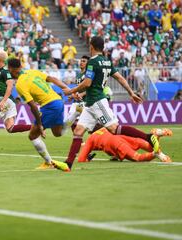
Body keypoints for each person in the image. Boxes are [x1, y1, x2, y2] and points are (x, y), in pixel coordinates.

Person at [63, 36, 160, 170]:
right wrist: (131, 92)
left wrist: (71, 90)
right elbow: (119, 77)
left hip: (97, 101)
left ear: (91, 46)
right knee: (78, 131)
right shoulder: (107, 62)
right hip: (90, 104)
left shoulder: (92, 62)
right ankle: (68, 163)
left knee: (114, 129)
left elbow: (87, 83)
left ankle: (148, 137)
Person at [7, 58, 70, 171]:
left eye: (8, 69)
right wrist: (66, 88)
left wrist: (40, 124)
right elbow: (52, 78)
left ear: (11, 69)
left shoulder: (20, 84)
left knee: (33, 135)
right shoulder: (32, 71)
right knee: (58, 133)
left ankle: (48, 163)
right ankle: (75, 113)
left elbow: (33, 106)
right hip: (58, 101)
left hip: (49, 106)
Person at [78, 128, 173, 163]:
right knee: (140, 142)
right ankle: (157, 136)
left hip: (115, 143)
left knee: (137, 158)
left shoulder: (90, 140)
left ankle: (155, 154)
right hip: (121, 137)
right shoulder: (103, 129)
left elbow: (81, 159)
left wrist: (86, 159)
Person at [66, 55, 89, 125]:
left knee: (75, 117)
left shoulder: (88, 74)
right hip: (77, 101)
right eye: (81, 61)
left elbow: (90, 88)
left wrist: (82, 94)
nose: (81, 62)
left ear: (88, 64)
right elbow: (77, 88)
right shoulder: (78, 74)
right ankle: (75, 135)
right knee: (70, 120)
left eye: (84, 61)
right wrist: (72, 95)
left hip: (85, 101)